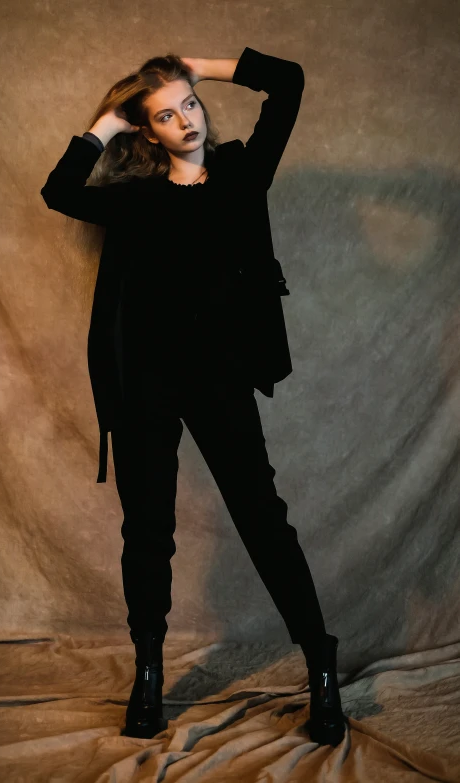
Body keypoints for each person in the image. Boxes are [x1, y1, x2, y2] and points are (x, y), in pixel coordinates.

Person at [40, 46, 349, 747]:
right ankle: (148, 672)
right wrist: (106, 123)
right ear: (146, 132)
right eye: (164, 114)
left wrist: (195, 66)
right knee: (147, 529)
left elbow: (289, 83)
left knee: (263, 518)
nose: (185, 119)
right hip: (145, 383)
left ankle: (320, 666)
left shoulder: (241, 174)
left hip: (219, 380)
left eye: (189, 105)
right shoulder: (136, 199)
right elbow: (58, 191)